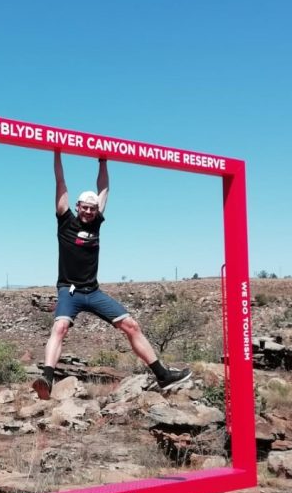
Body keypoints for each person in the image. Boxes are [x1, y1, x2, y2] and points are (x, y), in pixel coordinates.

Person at [32, 152, 192, 400]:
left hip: (93, 291)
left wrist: (103, 160)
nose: (87, 212)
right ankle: (48, 379)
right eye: (84, 207)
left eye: (92, 209)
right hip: (70, 291)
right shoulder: (65, 221)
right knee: (60, 326)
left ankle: (163, 375)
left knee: (131, 325)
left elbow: (104, 188)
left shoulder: (95, 222)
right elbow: (60, 183)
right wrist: (57, 153)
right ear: (77, 207)